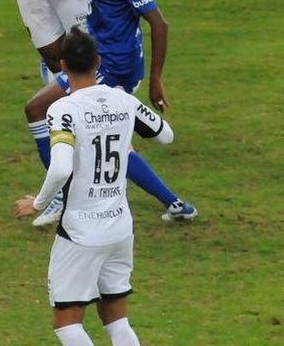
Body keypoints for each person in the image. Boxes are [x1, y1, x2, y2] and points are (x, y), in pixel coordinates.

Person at [0, 0, 197, 226]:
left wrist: (157, 79)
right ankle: (175, 204)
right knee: (101, 135)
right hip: (99, 61)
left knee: (49, 113)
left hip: (113, 67)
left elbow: (159, 23)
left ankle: (63, 197)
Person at [14, 27, 173, 346]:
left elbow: (60, 167)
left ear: (61, 66)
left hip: (81, 232)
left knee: (67, 323)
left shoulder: (63, 110)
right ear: (98, 62)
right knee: (117, 319)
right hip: (119, 227)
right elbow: (165, 135)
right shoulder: (123, 100)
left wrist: (38, 204)